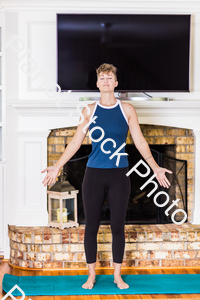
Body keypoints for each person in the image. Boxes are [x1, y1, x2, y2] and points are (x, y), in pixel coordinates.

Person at [41, 63, 172, 290]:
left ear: (116, 83)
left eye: (109, 77)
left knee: (117, 227)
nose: (105, 80)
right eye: (102, 77)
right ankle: (91, 275)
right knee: (91, 226)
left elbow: (140, 141)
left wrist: (155, 167)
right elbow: (75, 141)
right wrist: (57, 165)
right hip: (94, 174)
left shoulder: (127, 110)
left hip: (120, 175)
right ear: (97, 83)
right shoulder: (89, 111)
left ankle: (117, 275)